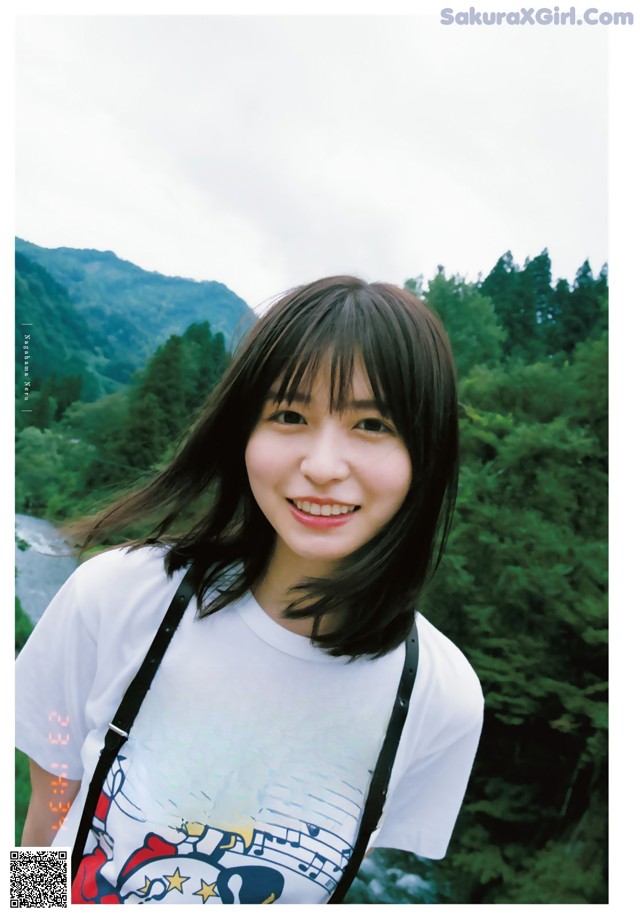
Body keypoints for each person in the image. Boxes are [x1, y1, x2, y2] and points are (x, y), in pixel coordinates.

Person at [16, 275, 483, 905]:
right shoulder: (120, 596)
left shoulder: (439, 696)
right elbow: (49, 807)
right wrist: (23, 904)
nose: (322, 465)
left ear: (423, 455)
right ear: (244, 435)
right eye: (289, 415)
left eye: (372, 424)